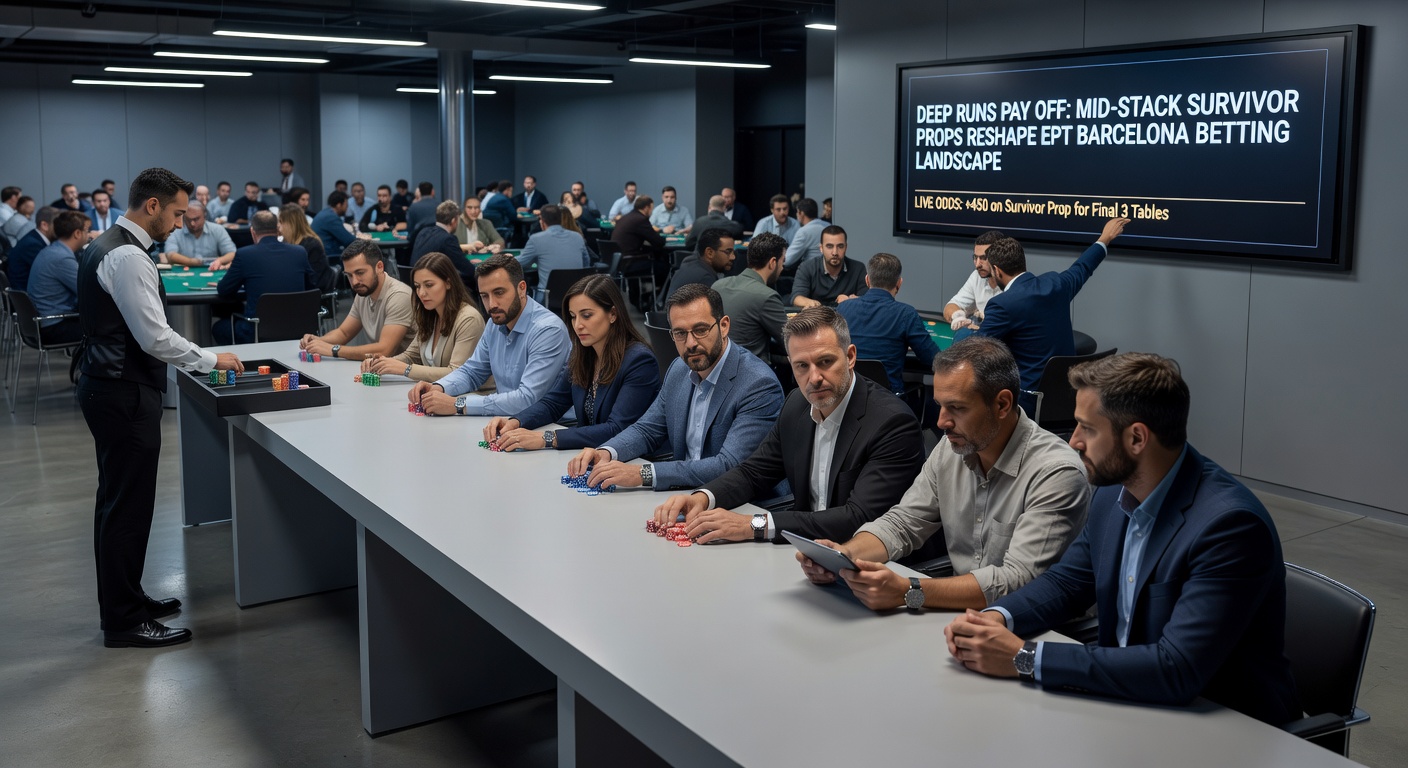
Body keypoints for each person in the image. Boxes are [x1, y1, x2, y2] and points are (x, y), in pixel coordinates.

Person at [944, 352, 1301, 727]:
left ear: (1136, 438)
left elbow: (1176, 669)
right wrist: (994, 619)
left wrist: (1025, 657)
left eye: (1087, 428)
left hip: (1226, 726)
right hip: (1129, 707)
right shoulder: (1111, 493)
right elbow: (1067, 583)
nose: (1073, 442)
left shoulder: (1230, 527)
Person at [796, 336, 1090, 613]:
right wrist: (845, 555)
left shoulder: (1056, 472)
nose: (941, 422)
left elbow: (1017, 579)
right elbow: (903, 523)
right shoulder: (953, 448)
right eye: (939, 406)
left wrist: (908, 590)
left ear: (1002, 404)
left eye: (957, 408)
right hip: (958, 615)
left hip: (1030, 627)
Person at [77, 167, 243, 648]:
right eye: (175, 213)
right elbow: (155, 337)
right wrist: (213, 360)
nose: (177, 223)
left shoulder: (104, 243)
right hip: (122, 390)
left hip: (105, 384)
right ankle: (125, 621)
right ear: (152, 206)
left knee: (115, 502)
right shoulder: (129, 257)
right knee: (126, 508)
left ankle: (125, 599)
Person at [653, 307, 924, 543]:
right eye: (801, 366)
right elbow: (754, 472)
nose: (814, 377)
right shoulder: (797, 403)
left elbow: (858, 518)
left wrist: (754, 525)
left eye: (826, 361)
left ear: (850, 356)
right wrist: (704, 497)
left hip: (870, 569)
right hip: (803, 553)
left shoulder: (892, 424)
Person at [565, 283, 785, 492]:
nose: (690, 343)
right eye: (680, 333)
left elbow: (729, 466)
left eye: (700, 330)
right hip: (681, 493)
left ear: (724, 325)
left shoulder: (758, 384)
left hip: (740, 505)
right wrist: (607, 452)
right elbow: (647, 429)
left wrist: (644, 473)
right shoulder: (679, 369)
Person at [959, 217, 1129, 413]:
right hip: (1067, 397)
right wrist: (1105, 238)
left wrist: (964, 333)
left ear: (997, 270)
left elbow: (973, 351)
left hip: (1026, 403)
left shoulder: (1002, 304)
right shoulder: (1056, 284)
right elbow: (1083, 267)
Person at [484, 274, 660, 451]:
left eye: (586, 315)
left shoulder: (639, 361)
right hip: (590, 456)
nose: (578, 325)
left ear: (613, 314)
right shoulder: (584, 353)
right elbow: (553, 403)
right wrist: (515, 421)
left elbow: (617, 429)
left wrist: (547, 438)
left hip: (632, 461)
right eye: (573, 316)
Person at [407, 253, 572, 416]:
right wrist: (439, 387)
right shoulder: (495, 322)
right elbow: (472, 372)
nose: (491, 304)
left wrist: (458, 404)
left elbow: (527, 399)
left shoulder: (548, 330)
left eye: (499, 293)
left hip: (551, 426)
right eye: (484, 296)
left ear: (522, 288)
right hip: (507, 421)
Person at [361, 251, 488, 383]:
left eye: (429, 285)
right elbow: (411, 356)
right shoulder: (430, 314)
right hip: (435, 393)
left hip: (467, 398)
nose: (421, 293)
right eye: (417, 286)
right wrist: (382, 363)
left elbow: (457, 373)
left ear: (448, 283)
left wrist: (406, 369)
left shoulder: (469, 319)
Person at [836, 252, 941, 395]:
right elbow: (933, 359)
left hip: (846, 394)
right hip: (888, 399)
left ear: (867, 280)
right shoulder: (906, 314)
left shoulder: (843, 308)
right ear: (899, 283)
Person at [213, 210, 318, 344]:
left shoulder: (244, 255)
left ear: (252, 232)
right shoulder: (299, 252)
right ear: (277, 229)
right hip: (297, 328)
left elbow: (224, 289)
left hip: (256, 330)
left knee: (218, 328)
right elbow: (312, 286)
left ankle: (241, 364)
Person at [299, 239, 413, 360]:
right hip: (382, 369)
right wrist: (317, 341)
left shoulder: (399, 295)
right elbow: (343, 333)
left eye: (360, 273)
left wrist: (334, 349)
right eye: (349, 275)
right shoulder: (363, 293)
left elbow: (385, 350)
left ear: (379, 267)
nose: (354, 282)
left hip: (408, 374)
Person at [711, 232, 789, 361]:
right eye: (783, 261)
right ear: (773, 262)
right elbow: (790, 341)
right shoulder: (767, 296)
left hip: (716, 366)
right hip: (751, 371)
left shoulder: (717, 286)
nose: (782, 268)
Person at [27, 210, 90, 344]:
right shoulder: (62, 258)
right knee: (109, 330)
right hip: (53, 326)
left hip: (45, 322)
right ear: (77, 233)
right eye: (86, 230)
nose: (88, 235)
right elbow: (88, 290)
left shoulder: (52, 250)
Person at [516, 204, 594, 303]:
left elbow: (520, 263)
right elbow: (586, 264)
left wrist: (507, 258)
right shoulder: (578, 237)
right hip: (576, 296)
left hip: (547, 299)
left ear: (542, 221)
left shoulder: (536, 239)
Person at [791, 225, 866, 308]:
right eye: (829, 246)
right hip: (817, 318)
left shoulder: (858, 268)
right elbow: (796, 298)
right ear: (821, 248)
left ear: (846, 247)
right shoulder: (807, 267)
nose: (835, 252)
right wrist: (812, 303)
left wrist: (850, 300)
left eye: (840, 246)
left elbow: (867, 300)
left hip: (848, 318)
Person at [945, 230, 1003, 331]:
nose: (977, 264)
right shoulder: (977, 276)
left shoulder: (1012, 283)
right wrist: (958, 317)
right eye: (975, 258)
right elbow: (950, 306)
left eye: (983, 258)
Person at [278, 203, 336, 293]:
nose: (278, 226)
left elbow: (314, 281)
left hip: (310, 295)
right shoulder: (285, 243)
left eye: (280, 222)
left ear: (290, 224)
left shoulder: (312, 245)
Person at [163, 202, 236, 269]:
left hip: (211, 270)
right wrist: (191, 262)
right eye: (188, 220)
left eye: (196, 219)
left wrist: (219, 260)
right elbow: (170, 255)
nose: (192, 223)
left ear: (204, 216)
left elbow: (232, 253)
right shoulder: (176, 231)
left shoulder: (218, 229)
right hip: (184, 272)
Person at [666, 228, 734, 298]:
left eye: (733, 252)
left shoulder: (691, 264)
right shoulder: (704, 278)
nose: (733, 257)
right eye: (728, 252)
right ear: (709, 253)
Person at [9, 206, 60, 291]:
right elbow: (52, 273)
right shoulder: (32, 245)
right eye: (57, 225)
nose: (61, 229)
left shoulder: (34, 237)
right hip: (29, 296)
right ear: (44, 225)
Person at [414, 201, 469, 277]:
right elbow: (466, 269)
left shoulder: (423, 232)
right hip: (431, 282)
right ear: (453, 221)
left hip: (416, 280)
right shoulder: (448, 239)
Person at [312, 190, 363, 257]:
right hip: (330, 257)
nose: (347, 208)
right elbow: (349, 240)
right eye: (346, 205)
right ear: (339, 205)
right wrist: (364, 241)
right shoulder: (331, 218)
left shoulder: (325, 213)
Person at [784, 197, 829, 267]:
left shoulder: (804, 232)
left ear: (801, 213)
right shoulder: (828, 226)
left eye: (797, 212)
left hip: (812, 273)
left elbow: (787, 260)